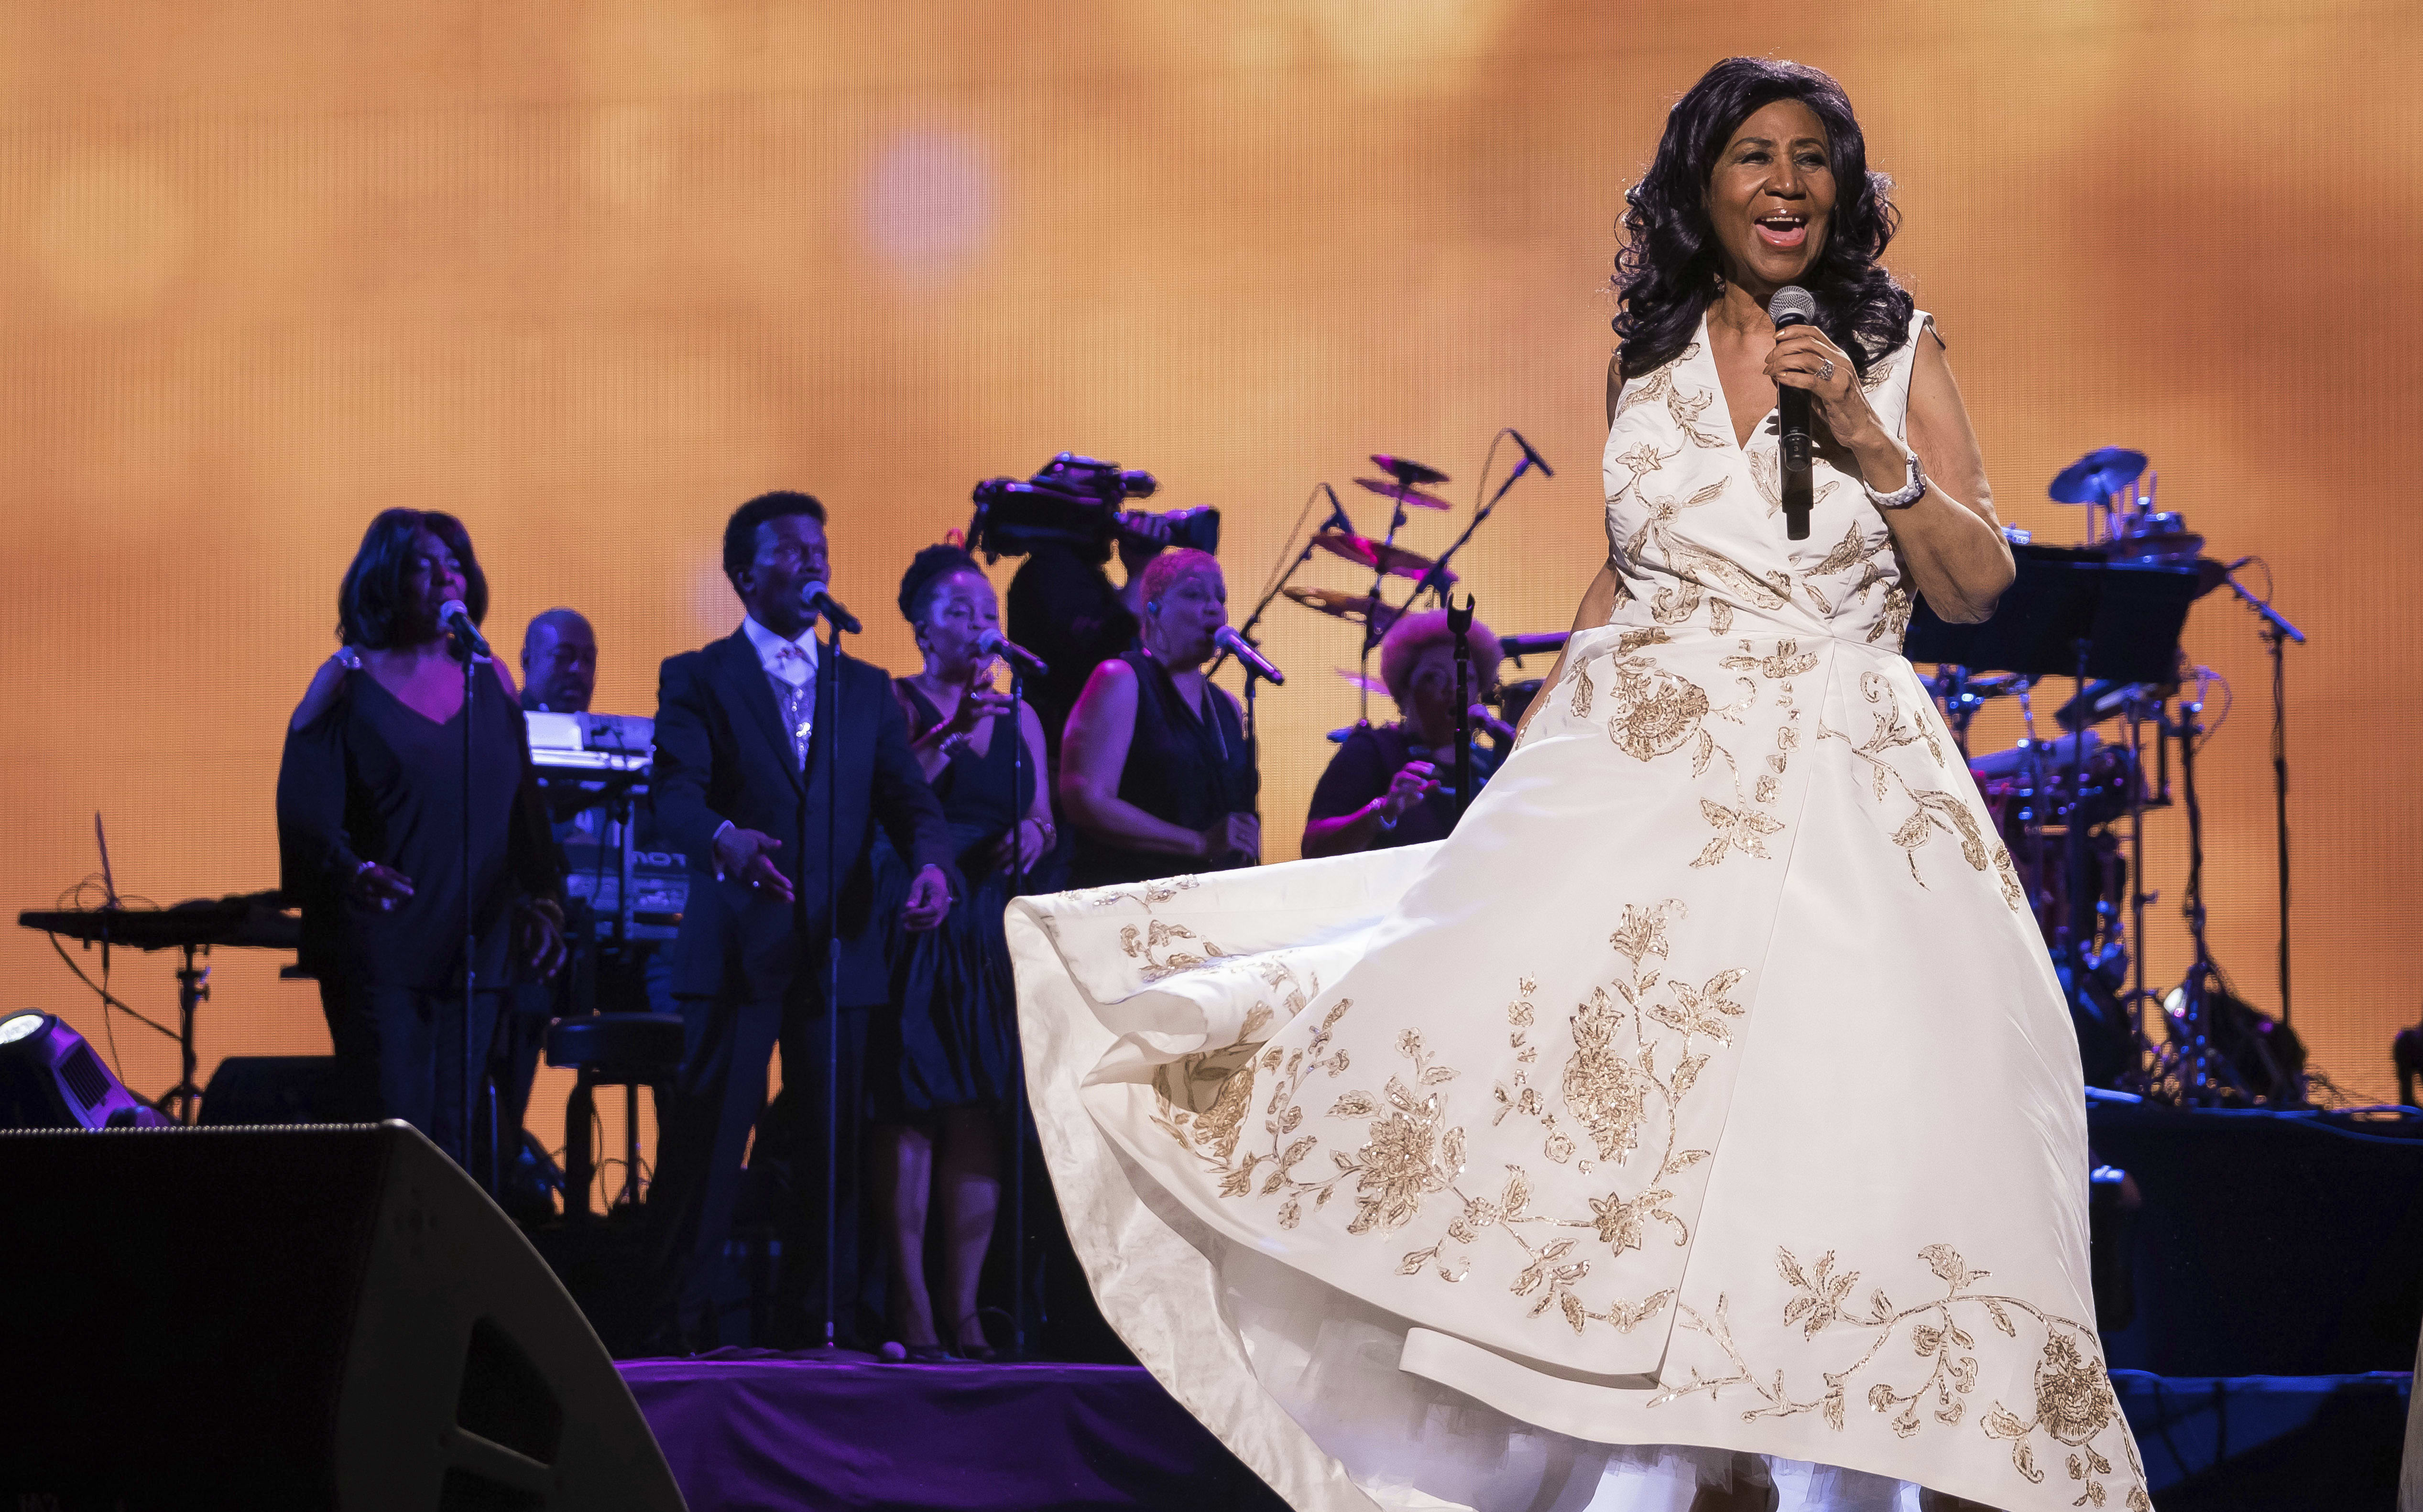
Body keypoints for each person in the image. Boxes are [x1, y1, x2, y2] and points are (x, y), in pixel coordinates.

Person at [1008, 57, 2149, 1512]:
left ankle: (1843, 1463)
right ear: (1701, 182)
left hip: (1849, 795)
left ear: (1845, 192)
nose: (1786, 181)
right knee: (1596, 1119)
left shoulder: (1895, 343)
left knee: (1848, 1129)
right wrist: (1522, 790)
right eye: (1755, 154)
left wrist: (1865, 437)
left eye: (1814, 157)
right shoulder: (1643, 358)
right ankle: (1694, 1463)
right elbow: (1623, 577)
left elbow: (1981, 582)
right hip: (1651, 778)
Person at [646, 490, 956, 1350]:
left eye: (818, 546)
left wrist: (931, 865)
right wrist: (722, 837)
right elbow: (671, 791)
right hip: (739, 944)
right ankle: (681, 1331)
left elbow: (907, 799)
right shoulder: (698, 674)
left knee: (834, 1149)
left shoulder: (860, 685)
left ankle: (820, 1325)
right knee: (711, 1146)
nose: (811, 560)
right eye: (788, 551)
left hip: (839, 945)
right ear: (745, 575)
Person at [276, 509, 566, 1164]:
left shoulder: (489, 676)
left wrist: (544, 898)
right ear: (385, 577)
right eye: (424, 563)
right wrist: (349, 868)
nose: (446, 575)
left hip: (477, 945)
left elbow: (523, 810)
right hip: (385, 944)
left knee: (461, 1138)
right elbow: (304, 806)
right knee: (397, 1136)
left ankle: (453, 1267)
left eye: (456, 562)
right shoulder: (347, 678)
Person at [867, 545, 1055, 1360]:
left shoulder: (1023, 717)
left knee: (979, 1111)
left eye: (988, 613)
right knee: (913, 1106)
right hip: (917, 916)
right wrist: (953, 730)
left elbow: (1047, 813)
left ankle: (967, 1307)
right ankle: (909, 1303)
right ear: (919, 629)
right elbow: (893, 795)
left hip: (988, 927)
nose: (978, 626)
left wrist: (1033, 832)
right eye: (957, 612)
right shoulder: (893, 702)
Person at [1058, 547, 1259, 888]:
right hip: (1130, 894)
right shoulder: (1122, 679)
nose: (1214, 606)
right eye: (1194, 594)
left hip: (1208, 901)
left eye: (1220, 597)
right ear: (1154, 609)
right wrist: (1198, 843)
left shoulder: (1226, 706)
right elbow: (1087, 799)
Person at [1302, 609, 1507, 858]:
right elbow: (1314, 848)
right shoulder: (1373, 751)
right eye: (1434, 677)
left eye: (1466, 678)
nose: (1453, 690)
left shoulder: (1492, 764)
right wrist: (1382, 811)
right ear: (1404, 689)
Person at [1004, 514, 1168, 772]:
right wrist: (1140, 574)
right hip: (1066, 758)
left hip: (1094, 750)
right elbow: (1103, 652)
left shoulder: (1085, 576)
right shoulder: (1050, 572)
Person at [520, 608, 598, 714]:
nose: (579, 669)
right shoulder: (500, 724)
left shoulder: (607, 729)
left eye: (588, 659)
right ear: (527, 661)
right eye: (563, 656)